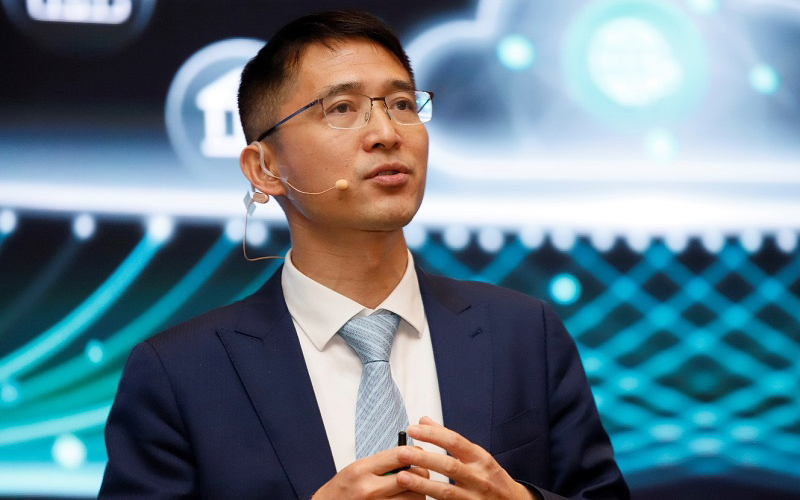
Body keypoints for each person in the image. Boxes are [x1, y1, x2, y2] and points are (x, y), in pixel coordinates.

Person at [99, 10, 629, 500]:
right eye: (342, 109)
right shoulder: (179, 374)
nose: (386, 133)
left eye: (402, 105)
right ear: (264, 168)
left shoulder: (525, 334)